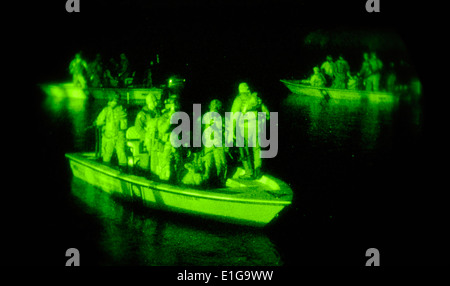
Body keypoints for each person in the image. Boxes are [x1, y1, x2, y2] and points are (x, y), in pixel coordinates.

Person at [230, 82, 269, 179]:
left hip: (244, 127)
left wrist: (232, 131)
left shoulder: (239, 99)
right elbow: (267, 113)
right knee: (256, 149)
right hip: (256, 126)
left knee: (244, 150)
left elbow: (234, 116)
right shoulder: (255, 99)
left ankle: (249, 172)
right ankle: (257, 169)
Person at [95, 93, 128, 169]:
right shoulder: (122, 109)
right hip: (117, 136)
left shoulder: (107, 110)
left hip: (112, 136)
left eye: (115, 101)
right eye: (114, 100)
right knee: (120, 154)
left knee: (109, 155)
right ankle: (123, 169)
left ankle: (107, 168)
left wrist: (102, 124)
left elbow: (98, 121)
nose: (115, 102)